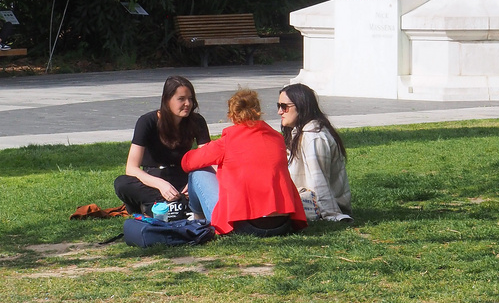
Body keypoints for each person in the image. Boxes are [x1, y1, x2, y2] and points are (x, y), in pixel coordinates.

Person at [182, 88, 307, 236]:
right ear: (258, 111)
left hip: (245, 225)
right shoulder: (277, 138)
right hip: (282, 223)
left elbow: (188, 162)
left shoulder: (228, 141)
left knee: (197, 174)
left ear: (232, 115)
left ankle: (198, 220)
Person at [114, 75, 210, 215]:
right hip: (153, 179)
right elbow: (131, 168)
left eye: (190, 99)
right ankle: (169, 205)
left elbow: (207, 159)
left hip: (182, 179)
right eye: (181, 99)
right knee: (122, 183)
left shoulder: (197, 121)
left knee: (211, 178)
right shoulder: (147, 122)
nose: (187, 104)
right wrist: (160, 185)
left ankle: (163, 207)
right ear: (166, 100)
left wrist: (195, 184)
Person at [278, 83, 351, 222]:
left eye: (284, 107)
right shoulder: (299, 132)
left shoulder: (313, 137)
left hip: (316, 206)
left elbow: (319, 181)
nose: (280, 112)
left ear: (301, 106)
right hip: (307, 200)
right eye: (279, 106)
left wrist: (331, 214)